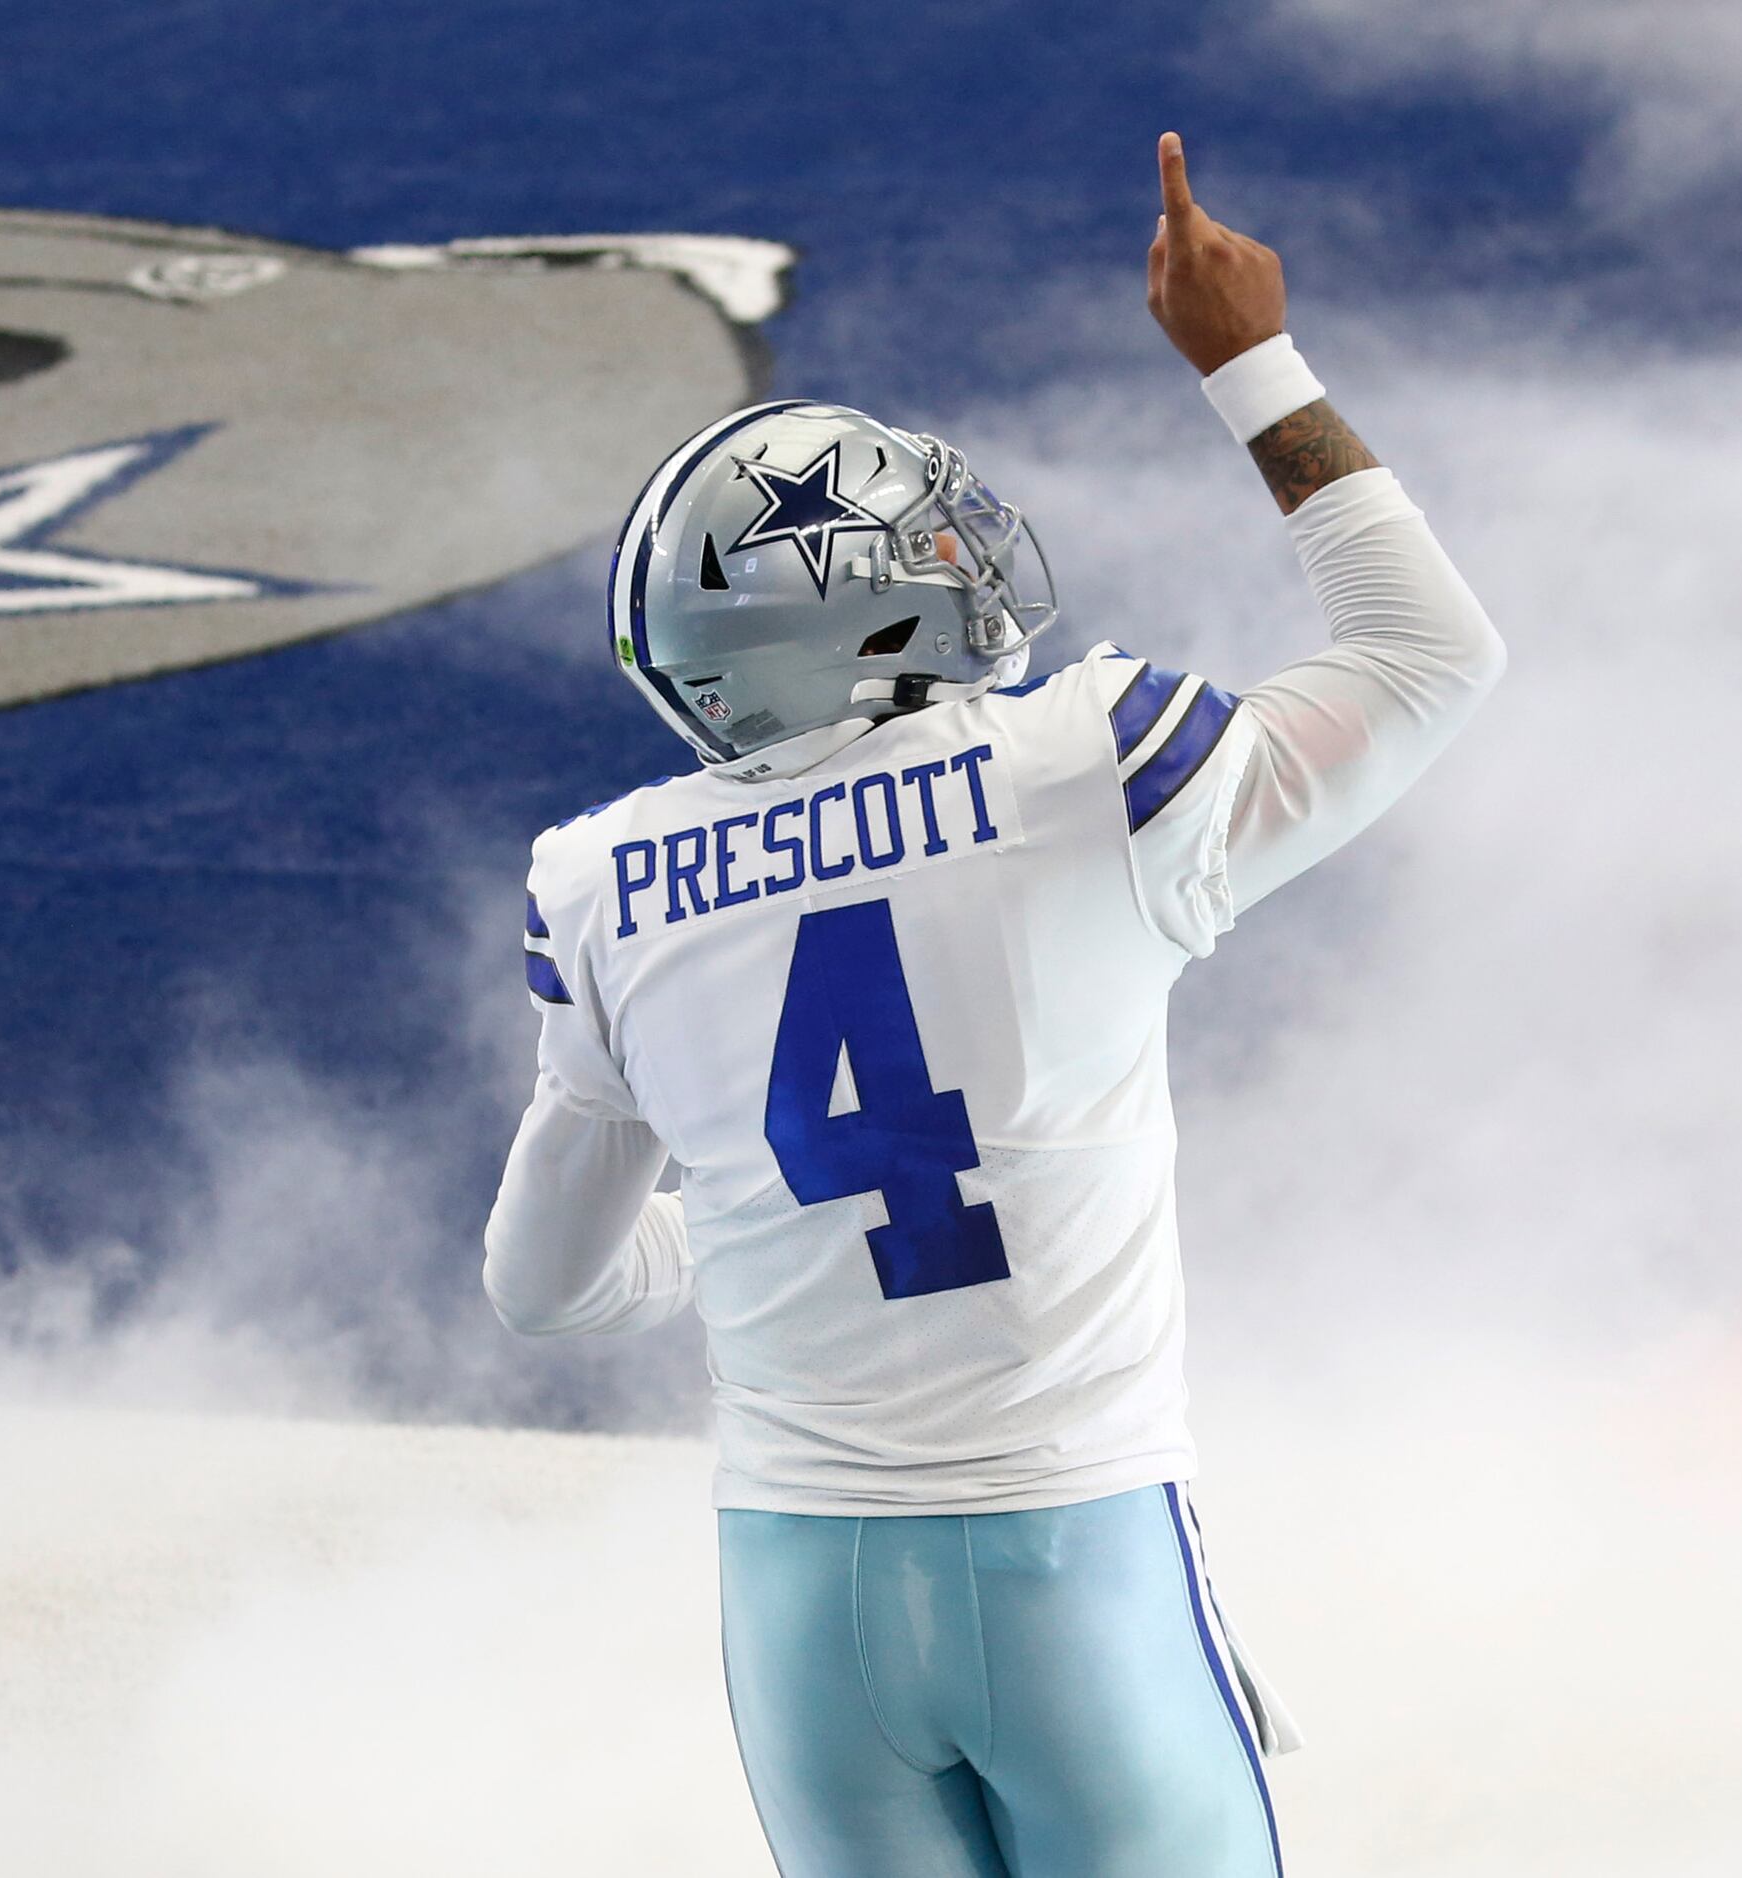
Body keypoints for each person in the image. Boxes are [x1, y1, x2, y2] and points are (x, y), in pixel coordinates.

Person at [482, 130, 1505, 1877]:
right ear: (867, 610)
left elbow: (540, 1288)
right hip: (1067, 1559)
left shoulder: (603, 882)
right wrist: (1247, 355)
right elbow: (1428, 655)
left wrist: (729, 1233)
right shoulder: (1081, 766)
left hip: (797, 1601)